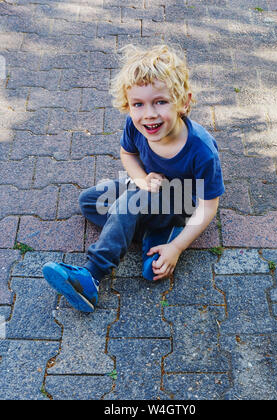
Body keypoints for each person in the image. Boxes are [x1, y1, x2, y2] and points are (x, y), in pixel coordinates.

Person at [42, 44, 225, 313]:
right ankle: (142, 228)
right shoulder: (135, 124)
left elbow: (209, 207)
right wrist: (140, 179)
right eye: (138, 104)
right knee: (89, 201)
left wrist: (176, 247)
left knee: (131, 208)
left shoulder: (202, 150)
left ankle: (91, 276)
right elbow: (127, 154)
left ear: (183, 102)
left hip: (182, 206)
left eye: (160, 101)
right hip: (146, 190)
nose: (148, 114)